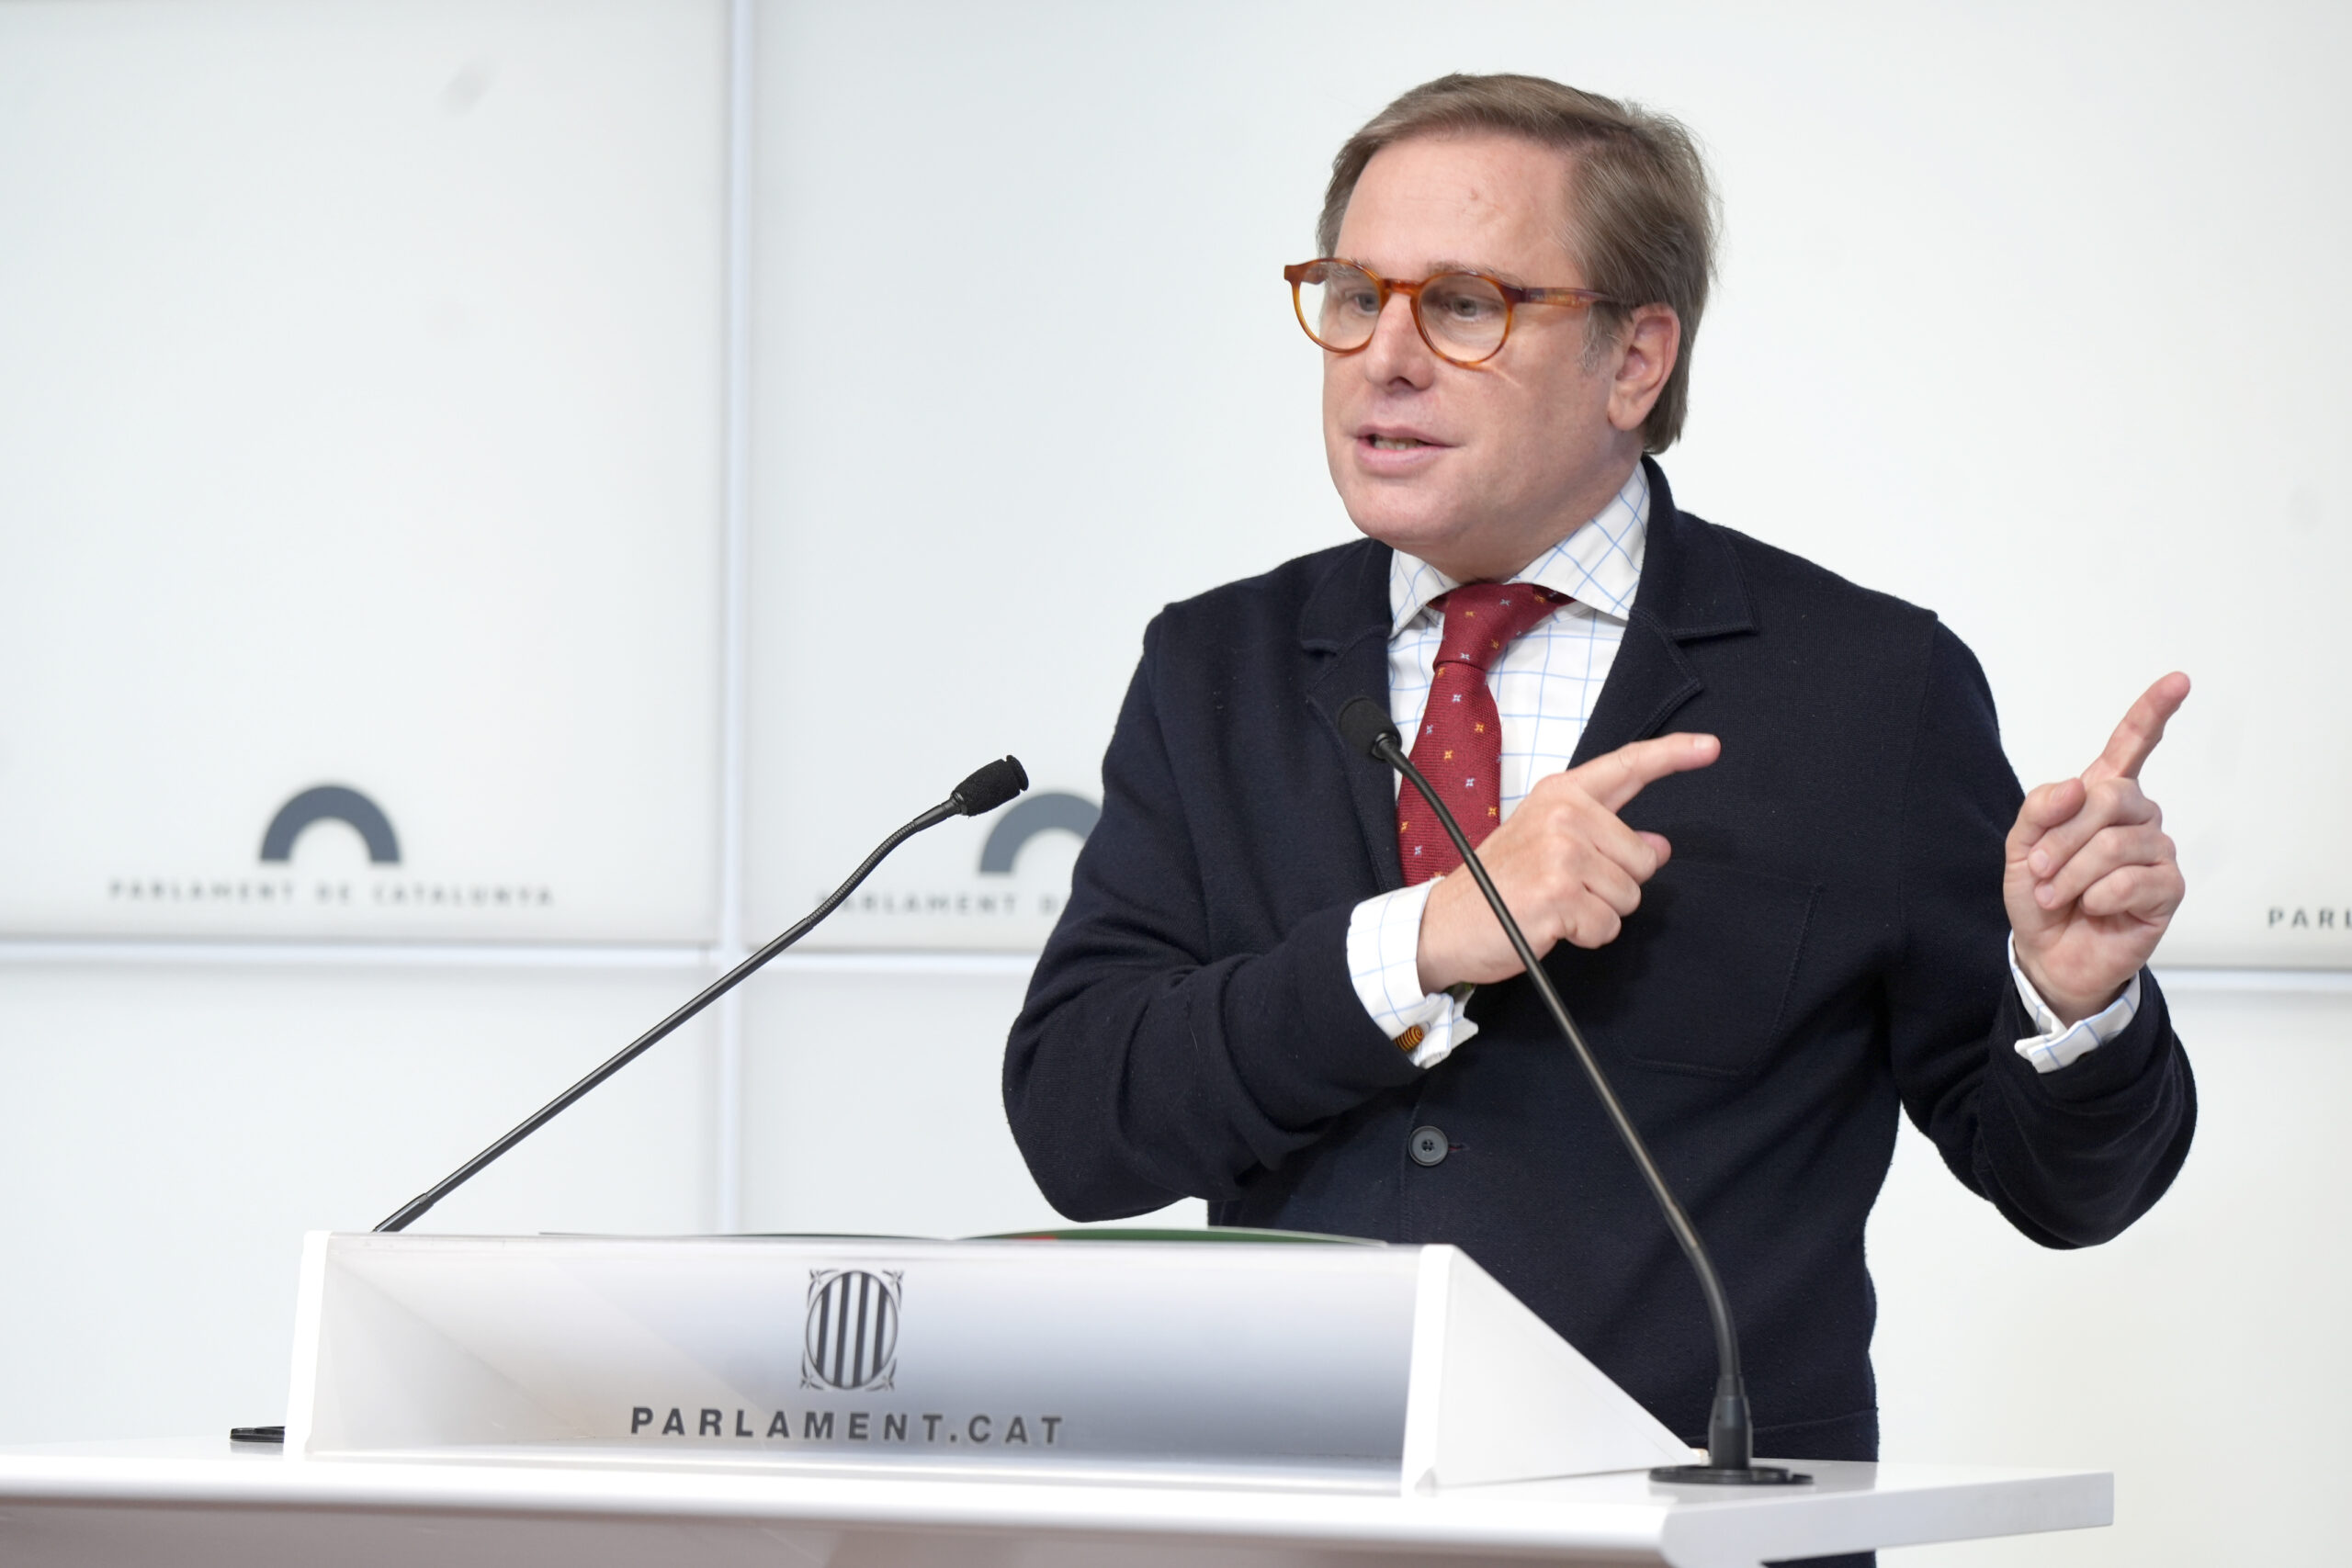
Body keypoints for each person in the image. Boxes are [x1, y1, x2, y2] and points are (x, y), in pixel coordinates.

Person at [1001, 70, 2196, 1523]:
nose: (1385, 358)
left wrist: (2072, 1001)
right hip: (1285, 1527)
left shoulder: (1868, 689)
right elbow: (1080, 1124)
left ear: (1635, 358)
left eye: (1464, 305)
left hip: (1694, 1537)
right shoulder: (1217, 667)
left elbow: (2063, 1187)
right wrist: (1421, 941)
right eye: (1354, 296)